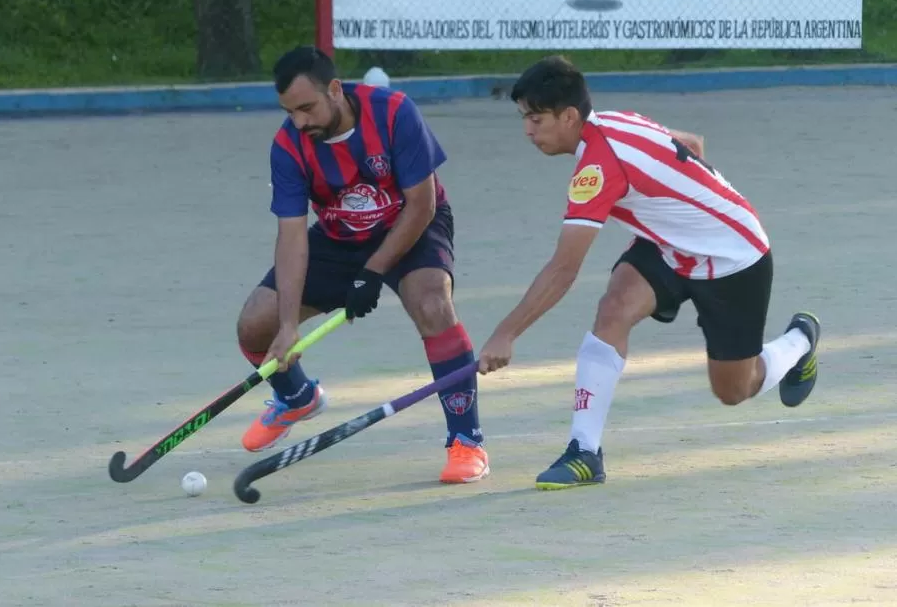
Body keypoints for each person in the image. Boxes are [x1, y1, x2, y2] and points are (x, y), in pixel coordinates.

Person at [477, 55, 821, 490]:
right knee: (614, 308)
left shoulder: (598, 167)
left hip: (734, 259)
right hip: (668, 247)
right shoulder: (613, 121)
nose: (527, 129)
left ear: (568, 117)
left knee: (735, 389)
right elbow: (691, 143)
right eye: (524, 118)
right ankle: (584, 452)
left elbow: (564, 269)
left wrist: (506, 333)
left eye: (535, 119)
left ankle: (800, 340)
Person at [235, 45, 489, 484]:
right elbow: (292, 236)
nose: (300, 122)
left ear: (335, 90)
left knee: (432, 305)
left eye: (307, 108)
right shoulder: (289, 145)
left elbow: (422, 204)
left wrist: (372, 273)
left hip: (410, 226)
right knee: (256, 323)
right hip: (337, 236)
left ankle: (466, 440)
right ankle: (296, 396)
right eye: (290, 112)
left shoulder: (393, 112)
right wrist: (289, 325)